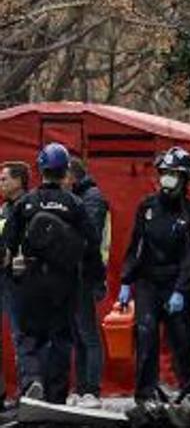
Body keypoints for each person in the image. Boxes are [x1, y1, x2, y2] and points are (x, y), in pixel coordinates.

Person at [118, 147, 190, 423]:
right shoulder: (147, 208)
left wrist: (181, 290)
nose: (167, 179)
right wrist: (126, 281)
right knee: (146, 335)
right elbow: (135, 246)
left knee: (184, 341)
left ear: (185, 179)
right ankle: (145, 396)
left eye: (174, 174)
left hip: (179, 284)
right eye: (164, 173)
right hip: (148, 281)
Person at [1, 144, 101, 404]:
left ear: (40, 169)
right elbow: (92, 244)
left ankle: (33, 381)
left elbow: (7, 244)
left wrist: (12, 272)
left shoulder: (26, 203)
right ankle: (56, 397)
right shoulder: (75, 204)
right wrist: (95, 279)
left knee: (29, 337)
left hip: (31, 281)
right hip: (64, 283)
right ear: (65, 170)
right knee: (61, 338)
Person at [65, 156, 109, 407]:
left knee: (88, 335)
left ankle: (92, 389)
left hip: (87, 276)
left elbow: (88, 238)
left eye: (64, 175)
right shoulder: (80, 197)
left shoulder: (92, 198)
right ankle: (81, 389)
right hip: (74, 276)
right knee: (78, 335)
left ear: (73, 175)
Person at [0, 162, 33, 401]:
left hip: (21, 280)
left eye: (4, 179)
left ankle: (29, 389)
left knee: (22, 335)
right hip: (2, 277)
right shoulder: (4, 209)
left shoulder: (30, 206)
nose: (0, 183)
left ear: (19, 181)